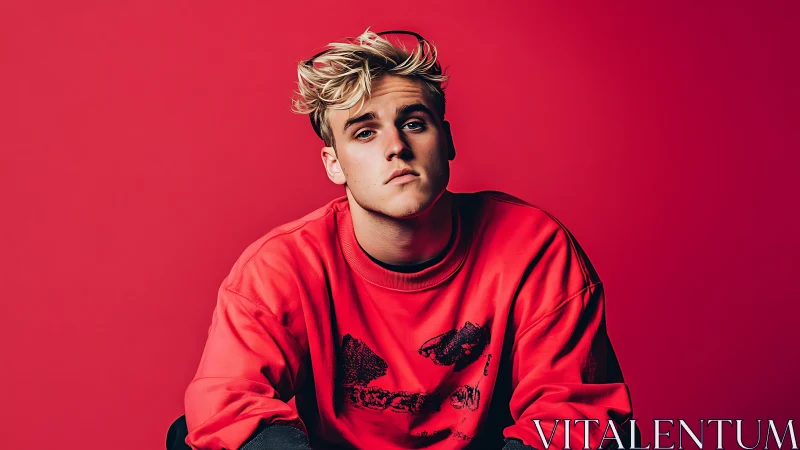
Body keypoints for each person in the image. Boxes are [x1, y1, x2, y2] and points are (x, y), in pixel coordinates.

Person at [180, 29, 640, 450]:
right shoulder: (281, 267)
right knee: (190, 437)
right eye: (365, 132)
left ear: (447, 140)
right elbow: (229, 405)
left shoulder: (533, 248)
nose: (396, 146)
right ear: (334, 164)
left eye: (415, 123)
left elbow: (572, 416)